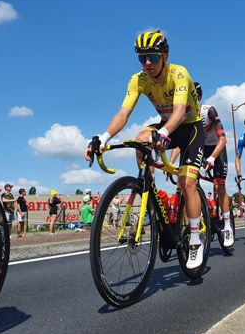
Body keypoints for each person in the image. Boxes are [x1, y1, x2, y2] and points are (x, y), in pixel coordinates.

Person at [84, 30, 206, 269]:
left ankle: (194, 241)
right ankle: (147, 186)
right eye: (142, 58)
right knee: (140, 138)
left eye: (153, 56)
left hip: (190, 128)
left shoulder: (179, 73)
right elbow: (124, 113)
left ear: (165, 56)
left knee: (187, 183)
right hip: (167, 125)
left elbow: (179, 112)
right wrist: (103, 137)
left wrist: (163, 133)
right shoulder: (138, 80)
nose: (147, 63)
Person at [172, 81, 234, 246]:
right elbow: (179, 143)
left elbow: (223, 139)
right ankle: (200, 218)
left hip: (216, 148)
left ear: (198, 97)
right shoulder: (184, 115)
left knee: (219, 185)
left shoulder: (209, 111)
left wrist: (212, 158)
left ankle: (227, 225)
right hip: (198, 147)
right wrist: (171, 162)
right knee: (188, 183)